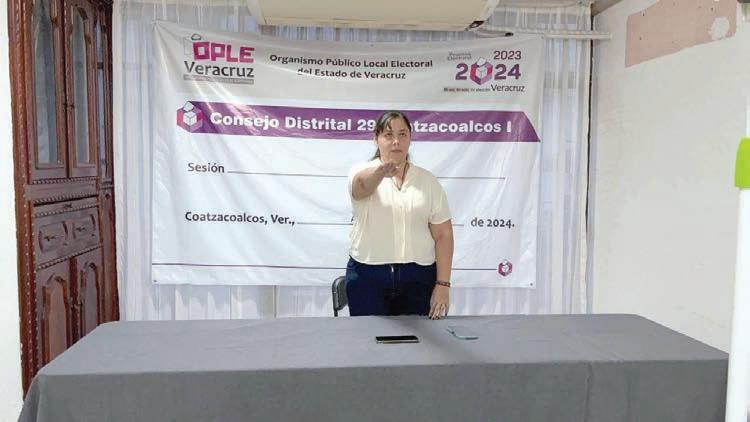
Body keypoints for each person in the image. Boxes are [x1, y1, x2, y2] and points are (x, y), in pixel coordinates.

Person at [346, 110, 454, 319]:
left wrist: (443, 284)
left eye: (402, 134)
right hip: (368, 276)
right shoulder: (362, 171)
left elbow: (443, 234)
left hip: (418, 277)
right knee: (368, 337)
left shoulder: (427, 180)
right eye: (388, 135)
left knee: (417, 339)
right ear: (376, 139)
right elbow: (361, 187)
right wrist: (381, 172)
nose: (396, 141)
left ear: (410, 138)